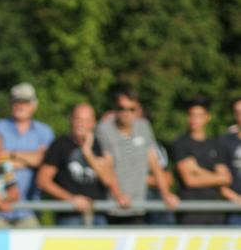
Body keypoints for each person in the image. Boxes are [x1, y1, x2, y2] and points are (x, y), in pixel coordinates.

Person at [96, 86, 179, 224]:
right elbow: (106, 166)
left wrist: (166, 194)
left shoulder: (143, 127)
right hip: (113, 205)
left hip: (139, 205)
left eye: (131, 109)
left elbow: (154, 162)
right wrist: (118, 195)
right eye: (122, 108)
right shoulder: (104, 130)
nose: (126, 113)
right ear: (115, 109)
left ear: (138, 109)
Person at [37, 104, 115, 226]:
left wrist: (87, 152)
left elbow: (109, 180)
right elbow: (43, 181)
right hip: (69, 215)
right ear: (71, 120)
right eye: (78, 119)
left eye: (86, 120)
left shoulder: (99, 145)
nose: (81, 124)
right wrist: (71, 199)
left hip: (98, 214)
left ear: (93, 123)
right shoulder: (60, 144)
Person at [0, 83, 54, 224]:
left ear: (34, 105)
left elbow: (44, 161)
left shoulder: (45, 132)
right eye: (16, 101)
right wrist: (31, 159)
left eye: (25, 102)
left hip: (30, 210)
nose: (20, 105)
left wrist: (9, 155)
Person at [172, 96, 231, 225]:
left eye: (199, 116)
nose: (194, 120)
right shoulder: (180, 143)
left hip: (215, 211)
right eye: (191, 115)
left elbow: (226, 178)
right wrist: (216, 177)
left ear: (207, 117)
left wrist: (197, 170)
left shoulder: (216, 144)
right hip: (190, 212)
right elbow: (190, 180)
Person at [219, 96, 241, 225]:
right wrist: (236, 198)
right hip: (234, 209)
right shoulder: (225, 141)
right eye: (238, 112)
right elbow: (219, 176)